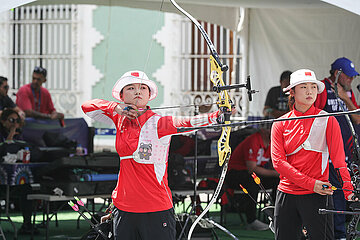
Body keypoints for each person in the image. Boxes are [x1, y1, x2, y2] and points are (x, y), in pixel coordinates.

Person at [81, 70, 224, 240]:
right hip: (123, 207)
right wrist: (115, 107)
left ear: (149, 95)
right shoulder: (118, 118)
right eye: (131, 88)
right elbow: (87, 106)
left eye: (143, 88)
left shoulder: (159, 122)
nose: (137, 92)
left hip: (156, 208)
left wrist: (218, 116)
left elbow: (187, 122)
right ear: (121, 95)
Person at [271, 69, 355, 240]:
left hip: (318, 194)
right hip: (287, 194)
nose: (310, 91)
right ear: (292, 92)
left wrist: (349, 191)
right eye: (303, 87)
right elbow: (278, 163)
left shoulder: (328, 120)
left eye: (313, 87)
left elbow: (339, 161)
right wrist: (311, 184)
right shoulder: (279, 124)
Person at [314, 57, 360, 240]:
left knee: (343, 194)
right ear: (337, 74)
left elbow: (357, 118)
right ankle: (335, 234)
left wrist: (344, 98)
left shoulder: (347, 93)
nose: (351, 80)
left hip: (345, 155)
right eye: (348, 77)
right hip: (327, 156)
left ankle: (340, 233)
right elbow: (312, 118)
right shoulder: (322, 89)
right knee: (335, 196)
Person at [226, 125, 279, 231]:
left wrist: (279, 174)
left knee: (278, 181)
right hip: (235, 174)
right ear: (263, 129)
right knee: (253, 181)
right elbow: (252, 168)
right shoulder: (253, 140)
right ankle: (251, 220)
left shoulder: (272, 143)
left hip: (253, 174)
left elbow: (274, 165)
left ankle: (277, 215)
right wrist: (276, 173)